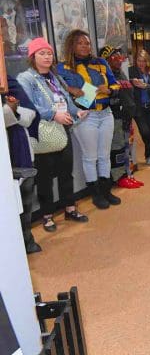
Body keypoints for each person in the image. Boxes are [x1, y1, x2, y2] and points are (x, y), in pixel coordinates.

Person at [17, 37, 89, 231]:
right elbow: (28, 105)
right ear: (32, 56)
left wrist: (77, 112)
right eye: (42, 53)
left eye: (49, 53)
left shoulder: (54, 76)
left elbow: (65, 99)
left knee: (67, 172)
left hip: (63, 128)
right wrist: (53, 115)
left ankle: (70, 208)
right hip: (43, 131)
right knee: (45, 177)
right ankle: (47, 215)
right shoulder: (27, 78)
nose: (47, 57)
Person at [57, 29, 121, 209]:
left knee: (104, 155)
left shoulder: (100, 62)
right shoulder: (63, 67)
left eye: (87, 43)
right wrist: (73, 90)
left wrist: (109, 90)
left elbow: (114, 83)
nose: (85, 46)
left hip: (106, 113)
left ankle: (106, 190)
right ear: (72, 45)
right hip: (86, 116)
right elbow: (61, 89)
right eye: (80, 43)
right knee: (90, 156)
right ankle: (96, 193)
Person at [3, 76, 42, 253]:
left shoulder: (8, 81)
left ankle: (26, 239)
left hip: (20, 152)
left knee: (25, 199)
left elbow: (30, 114)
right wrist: (8, 109)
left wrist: (13, 110)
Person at [100, 45, 143, 189]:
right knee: (117, 148)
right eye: (115, 57)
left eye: (120, 56)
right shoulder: (103, 76)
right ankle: (120, 177)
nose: (119, 59)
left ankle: (128, 174)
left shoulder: (120, 73)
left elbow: (125, 91)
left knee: (127, 147)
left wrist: (132, 84)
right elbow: (96, 93)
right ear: (105, 60)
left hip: (127, 117)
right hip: (115, 117)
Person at [129, 49, 150, 167]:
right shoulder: (131, 71)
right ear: (135, 61)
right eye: (139, 60)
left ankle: (149, 156)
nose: (141, 63)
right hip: (138, 108)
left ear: (147, 61)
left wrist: (146, 86)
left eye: (143, 61)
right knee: (145, 132)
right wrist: (132, 82)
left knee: (149, 133)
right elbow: (126, 85)